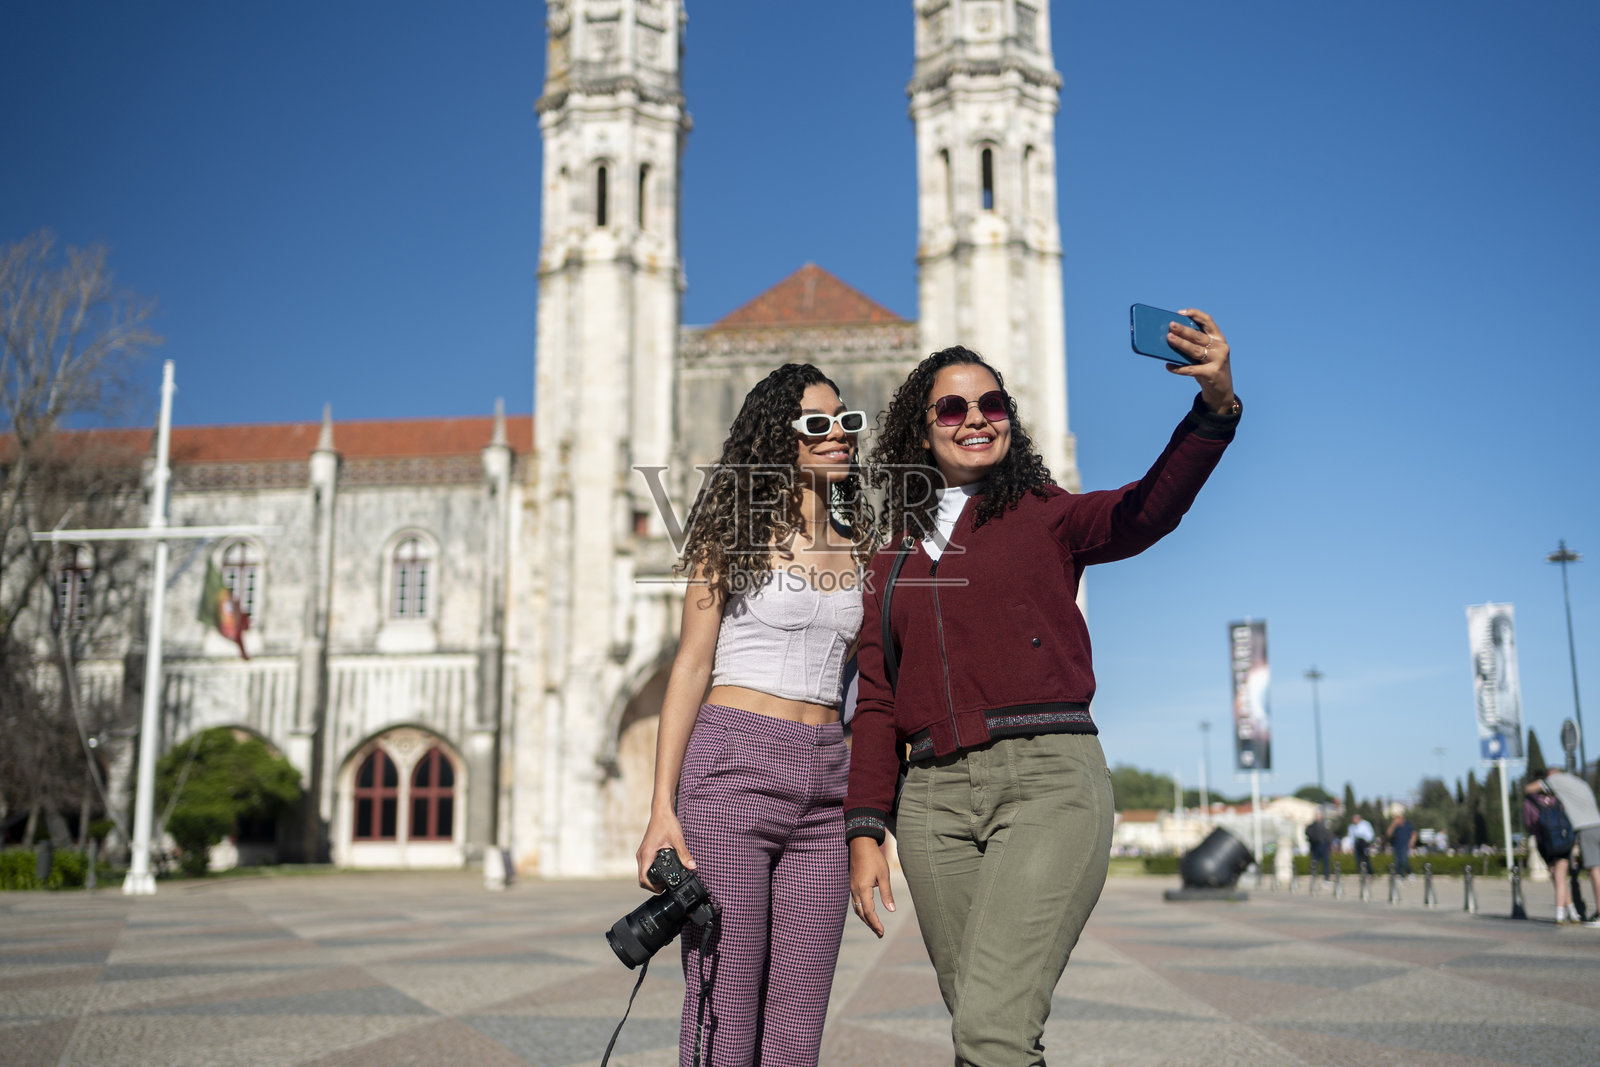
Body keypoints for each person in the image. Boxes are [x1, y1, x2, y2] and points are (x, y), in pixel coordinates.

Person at [845, 311, 1240, 1065]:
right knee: (988, 1030)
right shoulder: (888, 556)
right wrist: (866, 826)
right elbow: (877, 698)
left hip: (1048, 783)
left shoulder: (1046, 513)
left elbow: (1145, 510)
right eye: (952, 408)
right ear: (920, 432)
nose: (975, 419)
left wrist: (1214, 410)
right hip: (930, 805)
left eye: (992, 405)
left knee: (991, 1030)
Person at [634, 363, 871, 1066]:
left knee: (798, 1029)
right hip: (733, 766)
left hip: (828, 780)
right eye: (818, 424)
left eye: (847, 422)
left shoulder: (862, 544)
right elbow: (689, 665)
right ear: (781, 438)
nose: (839, 437)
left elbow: (869, 679)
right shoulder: (728, 531)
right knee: (723, 1011)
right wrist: (660, 809)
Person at [1525, 768, 1600, 927]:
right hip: (1597, 824)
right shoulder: (1579, 782)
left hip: (1585, 828)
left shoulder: (1557, 781)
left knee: (1595, 871)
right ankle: (1576, 911)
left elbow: (1529, 789)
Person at [1387, 811, 1417, 879]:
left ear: (1401, 817)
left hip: (1405, 845)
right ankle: (1401, 875)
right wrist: (1393, 825)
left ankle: (1410, 873)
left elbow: (1414, 833)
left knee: (1404, 860)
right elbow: (1388, 834)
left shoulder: (1408, 824)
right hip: (1396, 845)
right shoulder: (1395, 826)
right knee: (1397, 862)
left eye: (1397, 818)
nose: (1396, 819)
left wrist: (1412, 842)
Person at [1305, 810, 1333, 880]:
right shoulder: (1312, 825)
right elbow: (1308, 833)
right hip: (1315, 846)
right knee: (1314, 862)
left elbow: (1329, 835)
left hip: (1323, 845)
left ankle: (1326, 877)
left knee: (1325, 862)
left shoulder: (1325, 825)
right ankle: (1314, 876)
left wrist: (1329, 843)